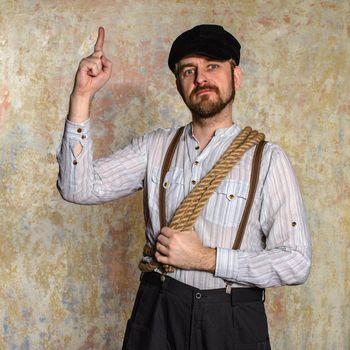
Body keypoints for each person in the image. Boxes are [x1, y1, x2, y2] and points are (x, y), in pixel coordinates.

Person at [57, 24, 311, 350]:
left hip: (232, 319)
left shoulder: (268, 160)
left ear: (236, 77)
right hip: (158, 310)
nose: (201, 78)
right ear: (178, 84)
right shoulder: (155, 148)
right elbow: (77, 189)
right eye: (189, 70)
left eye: (213, 66)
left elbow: (296, 262)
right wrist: (82, 96)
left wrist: (208, 259)